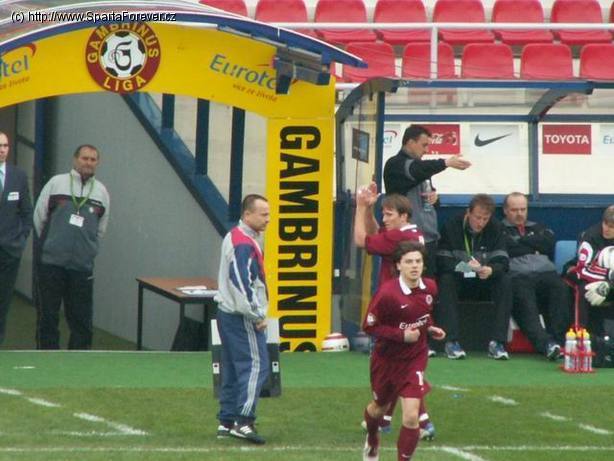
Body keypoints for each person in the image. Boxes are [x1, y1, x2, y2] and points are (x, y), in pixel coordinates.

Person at [354, 183, 435, 440]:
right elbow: (376, 234)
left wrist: (359, 207)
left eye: (389, 214)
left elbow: (361, 240)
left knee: (395, 363)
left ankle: (413, 419)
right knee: (404, 364)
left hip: (395, 304)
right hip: (408, 302)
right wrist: (369, 210)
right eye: (384, 213)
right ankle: (398, 418)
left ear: (403, 216)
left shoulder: (399, 238)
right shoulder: (408, 233)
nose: (385, 218)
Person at [362, 240, 445, 461]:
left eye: (418, 261)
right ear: (398, 265)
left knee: (410, 417)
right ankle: (372, 437)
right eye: (408, 262)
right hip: (386, 360)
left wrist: (430, 328)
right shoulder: (387, 294)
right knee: (379, 408)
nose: (414, 266)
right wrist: (401, 335)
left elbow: (423, 314)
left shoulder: (430, 287)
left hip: (414, 358)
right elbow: (369, 326)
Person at [33, 144, 110, 350]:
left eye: (93, 159)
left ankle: (78, 361)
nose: (88, 163)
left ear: (97, 163)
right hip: (51, 264)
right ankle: (47, 358)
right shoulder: (56, 183)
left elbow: (100, 229)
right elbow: (39, 218)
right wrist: (52, 244)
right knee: (48, 316)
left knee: (82, 321)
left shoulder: (101, 192)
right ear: (75, 159)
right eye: (84, 158)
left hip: (81, 267)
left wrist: (88, 250)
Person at [215, 194, 271, 445]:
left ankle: (226, 420)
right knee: (256, 366)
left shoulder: (237, 236)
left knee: (231, 367)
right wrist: (257, 314)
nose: (268, 219)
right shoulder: (244, 244)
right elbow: (241, 284)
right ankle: (244, 420)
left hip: (228, 313)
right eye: (263, 214)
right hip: (241, 316)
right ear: (247, 215)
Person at [383, 124, 471, 276]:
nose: (427, 150)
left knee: (428, 282)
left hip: (428, 238)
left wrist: (435, 199)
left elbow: (429, 198)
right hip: (406, 239)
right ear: (410, 142)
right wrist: (446, 163)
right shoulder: (395, 164)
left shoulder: (423, 169)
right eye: (424, 145)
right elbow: (416, 170)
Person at [436, 193, 513, 360]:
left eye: (485, 219)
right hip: (460, 277)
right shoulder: (451, 226)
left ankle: (497, 343)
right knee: (446, 280)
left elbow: (503, 261)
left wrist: (491, 269)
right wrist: (465, 268)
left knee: (505, 281)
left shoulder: (496, 227)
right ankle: (451, 341)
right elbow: (442, 261)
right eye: (477, 217)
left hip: (484, 280)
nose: (481, 223)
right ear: (468, 212)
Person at [501, 192, 570, 360]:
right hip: (518, 275)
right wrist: (534, 247)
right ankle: (546, 344)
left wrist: (520, 242)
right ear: (505, 210)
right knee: (524, 299)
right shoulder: (498, 229)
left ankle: (560, 342)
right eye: (514, 210)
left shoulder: (538, 226)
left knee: (561, 288)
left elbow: (549, 244)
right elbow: (507, 248)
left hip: (546, 273)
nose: (519, 214)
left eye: (523, 209)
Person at [0, 131, 33, 345]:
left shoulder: (18, 176)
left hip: (9, 249)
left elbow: (26, 211)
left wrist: (21, 238)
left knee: (3, 299)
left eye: (5, 145)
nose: (2, 150)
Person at [571, 205, 614, 337]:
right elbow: (582, 269)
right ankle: (579, 333)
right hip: (588, 277)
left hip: (610, 280)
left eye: (612, 226)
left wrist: (610, 283)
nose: (607, 229)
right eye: (605, 223)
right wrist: (608, 275)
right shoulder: (590, 236)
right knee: (582, 288)